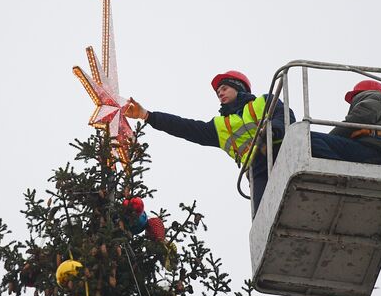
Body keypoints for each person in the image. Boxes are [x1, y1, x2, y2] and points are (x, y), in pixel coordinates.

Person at [124, 70, 295, 215]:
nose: (220, 93)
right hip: (258, 171)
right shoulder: (220, 127)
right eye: (218, 92)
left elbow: (284, 116)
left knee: (312, 139)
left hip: (284, 150)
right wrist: (147, 115)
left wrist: (273, 131)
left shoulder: (263, 101)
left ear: (238, 87)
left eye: (224, 88)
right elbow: (185, 127)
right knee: (264, 216)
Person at [310, 80, 381, 165]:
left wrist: (330, 138)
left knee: (307, 138)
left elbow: (359, 119)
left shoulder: (374, 95)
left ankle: (337, 168)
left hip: (371, 148)